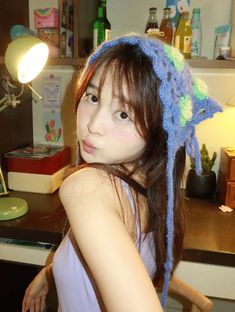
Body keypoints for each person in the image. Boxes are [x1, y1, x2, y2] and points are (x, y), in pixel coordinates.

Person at [22, 35, 221, 312]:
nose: (94, 124)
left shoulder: (87, 186)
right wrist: (50, 273)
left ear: (158, 131)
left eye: (124, 114)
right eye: (93, 97)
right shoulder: (153, 190)